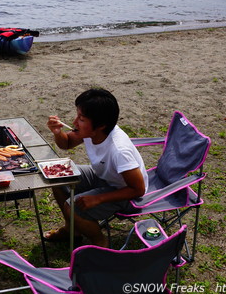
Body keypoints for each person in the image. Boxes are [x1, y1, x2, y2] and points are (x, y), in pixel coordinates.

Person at [44, 88, 148, 247]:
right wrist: (58, 132)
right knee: (57, 177)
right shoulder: (91, 131)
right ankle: (72, 230)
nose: (74, 122)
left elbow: (138, 189)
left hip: (125, 192)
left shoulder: (119, 151)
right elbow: (67, 143)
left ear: (101, 125)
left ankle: (100, 243)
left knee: (72, 206)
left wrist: (98, 198)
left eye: (82, 119)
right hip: (105, 177)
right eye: (77, 115)